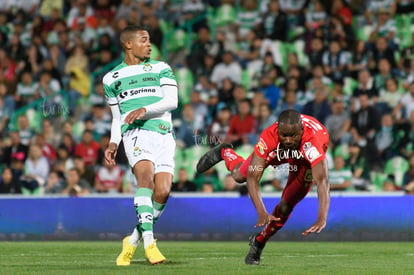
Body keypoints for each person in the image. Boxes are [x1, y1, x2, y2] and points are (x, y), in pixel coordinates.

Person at [196, 109, 330, 265]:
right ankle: (226, 152)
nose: (287, 140)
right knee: (240, 175)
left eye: (293, 135)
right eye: (283, 135)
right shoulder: (269, 136)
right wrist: (261, 211)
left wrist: (322, 217)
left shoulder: (312, 143)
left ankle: (259, 242)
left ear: (301, 131)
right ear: (277, 130)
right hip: (278, 152)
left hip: (303, 161)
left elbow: (323, 181)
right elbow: (253, 177)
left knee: (286, 206)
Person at [103, 25, 178, 265]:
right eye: (144, 40)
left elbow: (172, 102)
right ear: (128, 44)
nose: (149, 44)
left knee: (163, 191)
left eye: (149, 40)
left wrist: (145, 109)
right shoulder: (110, 78)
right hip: (136, 134)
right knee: (145, 180)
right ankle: (149, 242)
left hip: (164, 134)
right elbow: (117, 117)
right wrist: (113, 143)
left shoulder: (161, 68)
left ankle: (132, 240)